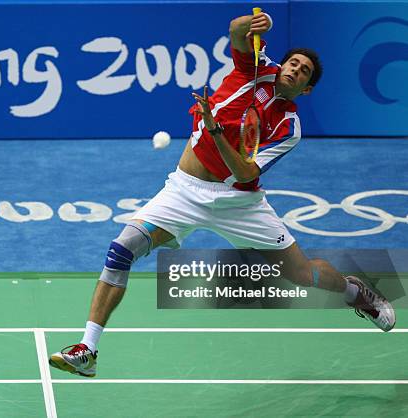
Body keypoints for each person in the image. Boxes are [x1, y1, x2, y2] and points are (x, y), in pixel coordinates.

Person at [49, 11, 396, 378]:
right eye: (293, 62)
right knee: (123, 248)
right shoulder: (255, 69)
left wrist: (216, 133)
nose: (295, 70)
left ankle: (355, 293)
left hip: (239, 204)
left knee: (302, 273)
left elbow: (246, 172)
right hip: (185, 190)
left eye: (304, 71)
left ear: (307, 88)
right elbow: (235, 30)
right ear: (281, 65)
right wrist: (258, 24)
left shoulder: (289, 127)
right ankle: (87, 349)